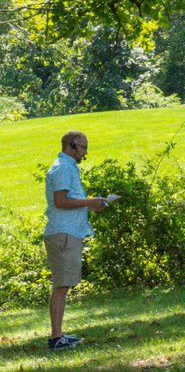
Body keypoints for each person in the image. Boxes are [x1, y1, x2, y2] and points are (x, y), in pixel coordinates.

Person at [44, 131, 110, 351]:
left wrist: (91, 205)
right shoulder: (63, 168)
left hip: (68, 232)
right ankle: (56, 338)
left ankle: (58, 335)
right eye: (82, 147)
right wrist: (90, 201)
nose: (85, 152)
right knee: (61, 286)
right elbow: (60, 201)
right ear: (71, 146)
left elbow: (70, 200)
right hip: (63, 233)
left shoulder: (68, 167)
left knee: (63, 285)